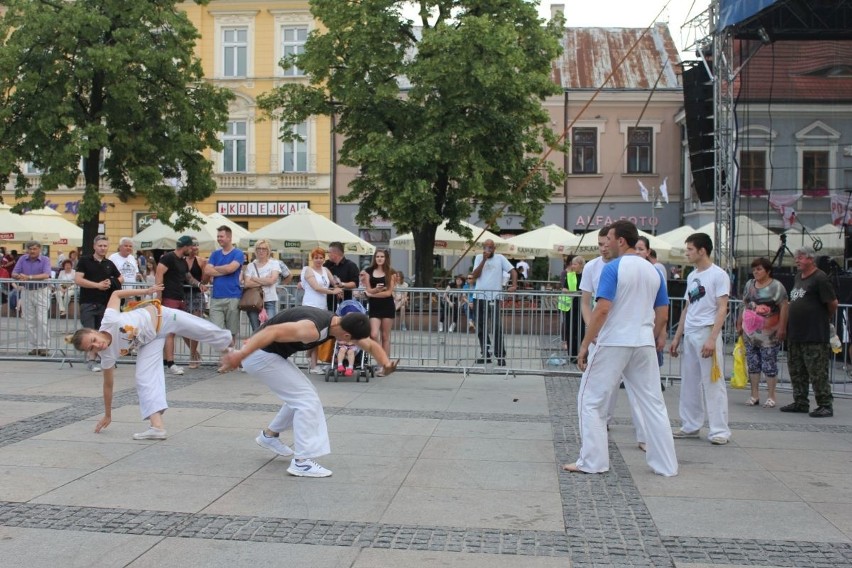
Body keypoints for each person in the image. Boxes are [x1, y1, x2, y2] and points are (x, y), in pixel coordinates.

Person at [217, 306, 399, 478]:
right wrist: (239, 356)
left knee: (303, 395)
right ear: (346, 335)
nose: (353, 343)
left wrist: (386, 363)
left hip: (265, 355)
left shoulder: (339, 323)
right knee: (306, 400)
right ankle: (302, 462)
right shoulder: (312, 328)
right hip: (259, 357)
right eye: (352, 340)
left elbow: (371, 345)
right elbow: (270, 332)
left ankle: (269, 436)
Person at [563, 220, 677, 476]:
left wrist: (584, 345)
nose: (606, 245)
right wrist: (655, 336)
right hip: (643, 340)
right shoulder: (654, 270)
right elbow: (663, 313)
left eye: (609, 239)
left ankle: (593, 461)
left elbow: (602, 308)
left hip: (615, 340)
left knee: (590, 400)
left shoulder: (613, 268)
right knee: (653, 404)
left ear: (621, 241)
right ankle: (666, 465)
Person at [65, 284, 233, 440]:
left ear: (95, 331)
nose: (97, 345)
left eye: (94, 339)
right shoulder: (107, 355)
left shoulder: (109, 320)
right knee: (143, 378)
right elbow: (108, 385)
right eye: (92, 348)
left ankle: (233, 351)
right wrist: (108, 414)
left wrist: (146, 291)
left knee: (200, 328)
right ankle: (157, 427)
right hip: (151, 340)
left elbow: (116, 294)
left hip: (163, 317)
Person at [669, 232, 731, 445]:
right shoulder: (692, 275)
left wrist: (712, 338)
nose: (686, 253)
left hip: (706, 330)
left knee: (713, 381)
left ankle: (719, 430)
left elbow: (722, 308)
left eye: (690, 249)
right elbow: (688, 307)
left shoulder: (718, 275)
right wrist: (677, 337)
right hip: (691, 332)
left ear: (702, 250)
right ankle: (690, 425)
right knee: (690, 382)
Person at [781, 247, 838, 417]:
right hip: (796, 333)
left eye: (800, 257)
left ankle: (825, 404)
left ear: (811, 259)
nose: (797, 260)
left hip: (814, 334)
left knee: (817, 371)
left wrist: (822, 318)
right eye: (796, 257)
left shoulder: (820, 278)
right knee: (796, 370)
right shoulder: (798, 277)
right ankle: (800, 401)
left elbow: (833, 302)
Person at [735, 258, 788, 408]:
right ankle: (754, 395)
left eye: (759, 269)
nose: (756, 272)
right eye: (754, 269)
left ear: (768, 270)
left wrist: (782, 327)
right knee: (753, 363)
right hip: (750, 331)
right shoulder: (749, 284)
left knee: (769, 363)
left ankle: (771, 396)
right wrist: (739, 322)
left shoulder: (777, 286)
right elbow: (744, 303)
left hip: (769, 332)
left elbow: (784, 306)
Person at [75, 235, 124, 371]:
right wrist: (97, 285)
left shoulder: (108, 263)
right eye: (100, 245)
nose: (103, 248)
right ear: (94, 246)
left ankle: (105, 359)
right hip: (88, 301)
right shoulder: (85, 261)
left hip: (104, 303)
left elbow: (120, 277)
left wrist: (112, 282)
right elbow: (78, 279)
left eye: (105, 246)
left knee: (103, 332)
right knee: (91, 331)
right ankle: (91, 361)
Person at [156, 236, 201, 375]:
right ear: (186, 247)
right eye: (191, 247)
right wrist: (158, 299)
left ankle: (165, 361)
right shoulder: (168, 258)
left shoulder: (182, 261)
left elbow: (188, 276)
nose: (193, 249)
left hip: (179, 299)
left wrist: (199, 284)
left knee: (172, 330)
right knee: (170, 331)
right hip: (169, 298)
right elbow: (159, 275)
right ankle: (171, 363)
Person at [471, 239, 517, 366]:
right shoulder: (479, 257)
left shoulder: (500, 258)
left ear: (494, 248)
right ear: (483, 248)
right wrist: (484, 260)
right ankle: (485, 353)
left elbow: (513, 271)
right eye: (486, 247)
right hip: (479, 296)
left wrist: (514, 285)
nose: (488, 250)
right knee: (480, 326)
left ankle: (500, 355)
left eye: (490, 247)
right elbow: (475, 275)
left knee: (496, 326)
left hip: (494, 297)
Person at [300, 247, 341, 373]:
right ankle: (313, 365)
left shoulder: (325, 270)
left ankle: (309, 357)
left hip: (322, 306)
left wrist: (339, 287)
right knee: (314, 335)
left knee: (320, 334)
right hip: (310, 305)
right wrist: (333, 292)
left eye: (321, 257)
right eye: (316, 258)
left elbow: (334, 282)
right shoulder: (308, 270)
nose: (319, 260)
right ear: (312, 259)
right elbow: (316, 287)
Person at [203, 226, 246, 343]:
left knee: (231, 332)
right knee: (217, 331)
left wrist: (216, 269)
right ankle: (229, 357)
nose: (219, 239)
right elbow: (207, 270)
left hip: (233, 296)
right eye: (218, 236)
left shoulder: (238, 253)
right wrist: (225, 269)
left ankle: (229, 359)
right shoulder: (215, 254)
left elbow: (231, 269)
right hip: (216, 297)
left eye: (221, 236)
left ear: (229, 237)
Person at [11, 241, 53, 356]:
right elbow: (14, 273)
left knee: (42, 319)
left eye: (34, 249)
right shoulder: (22, 259)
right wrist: (19, 276)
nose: (32, 251)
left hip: (41, 291)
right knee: (29, 320)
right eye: (30, 249)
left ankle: (44, 346)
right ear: (26, 250)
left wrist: (29, 277)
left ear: (40, 249)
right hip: (27, 291)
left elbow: (46, 274)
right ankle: (35, 346)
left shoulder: (45, 259)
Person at [361, 249, 396, 362]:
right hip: (375, 307)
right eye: (377, 256)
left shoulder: (391, 272)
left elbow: (388, 293)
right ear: (374, 258)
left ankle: (385, 363)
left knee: (385, 336)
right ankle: (380, 357)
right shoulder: (368, 271)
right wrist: (375, 290)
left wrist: (372, 295)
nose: (380, 258)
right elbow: (368, 289)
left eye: (382, 256)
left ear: (386, 258)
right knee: (374, 334)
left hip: (387, 305)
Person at [242, 239, 280, 333]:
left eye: (264, 248)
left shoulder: (274, 263)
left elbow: (272, 280)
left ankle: (268, 348)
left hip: (269, 300)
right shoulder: (251, 265)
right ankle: (258, 348)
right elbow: (247, 283)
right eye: (259, 248)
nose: (261, 251)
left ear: (268, 251)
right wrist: (265, 280)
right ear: (255, 250)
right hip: (253, 301)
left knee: (270, 329)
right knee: (256, 330)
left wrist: (254, 278)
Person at [184, 238, 209, 368]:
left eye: (197, 245)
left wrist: (207, 270)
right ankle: (194, 353)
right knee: (182, 327)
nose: (195, 247)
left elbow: (205, 280)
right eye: (192, 245)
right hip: (183, 294)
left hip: (197, 295)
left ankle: (193, 355)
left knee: (195, 325)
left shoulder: (201, 261)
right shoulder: (180, 260)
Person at [557, 255, 584, 357]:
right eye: (572, 264)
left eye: (575, 264)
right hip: (570, 306)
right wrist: (573, 292)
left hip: (581, 306)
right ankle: (572, 355)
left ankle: (581, 354)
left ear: (581, 265)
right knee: (570, 330)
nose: (572, 266)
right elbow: (564, 289)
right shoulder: (570, 275)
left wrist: (575, 293)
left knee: (580, 331)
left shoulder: (585, 275)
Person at [324, 241, 360, 313]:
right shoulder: (327, 264)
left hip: (345, 302)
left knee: (344, 321)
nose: (328, 255)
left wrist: (342, 285)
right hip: (329, 301)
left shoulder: (351, 265)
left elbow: (355, 283)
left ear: (335, 253)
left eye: (329, 252)